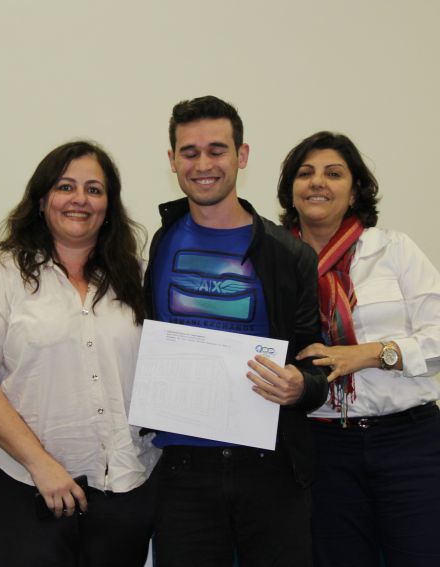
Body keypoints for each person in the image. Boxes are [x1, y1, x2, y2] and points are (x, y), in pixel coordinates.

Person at [0, 141, 159, 567]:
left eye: (94, 189)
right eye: (66, 187)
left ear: (109, 205)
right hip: (24, 487)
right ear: (42, 199)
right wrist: (40, 464)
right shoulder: (4, 271)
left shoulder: (139, 276)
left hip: (125, 486)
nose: (80, 199)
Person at [144, 95, 330, 566]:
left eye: (217, 150)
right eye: (189, 152)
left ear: (242, 156)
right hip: (182, 470)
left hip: (270, 469)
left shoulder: (289, 254)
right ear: (172, 160)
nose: (203, 164)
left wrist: (301, 385)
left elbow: (316, 363)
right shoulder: (158, 243)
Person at [277, 131, 440, 567]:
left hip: (410, 443)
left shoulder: (393, 250)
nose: (317, 182)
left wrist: (368, 354)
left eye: (333, 173)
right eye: (305, 174)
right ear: (291, 191)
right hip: (320, 448)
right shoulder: (272, 260)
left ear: (355, 191)